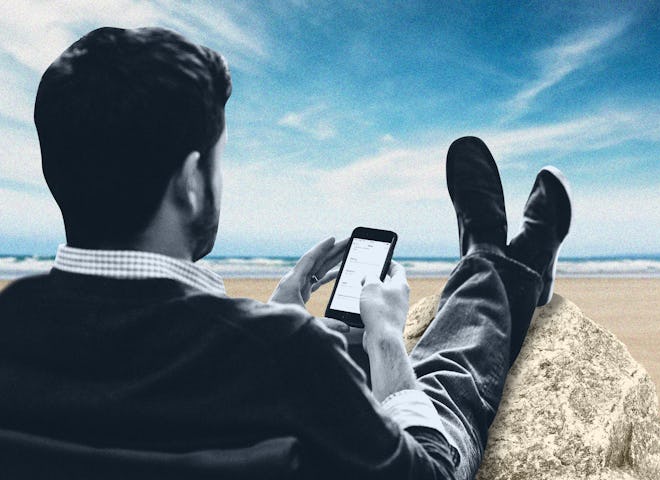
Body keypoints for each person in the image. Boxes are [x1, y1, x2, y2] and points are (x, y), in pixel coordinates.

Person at [0, 27, 571, 480]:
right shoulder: (281, 355)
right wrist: (388, 343)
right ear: (193, 180)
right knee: (436, 378)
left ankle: (500, 265)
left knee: (340, 348)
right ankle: (495, 266)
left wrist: (277, 311)